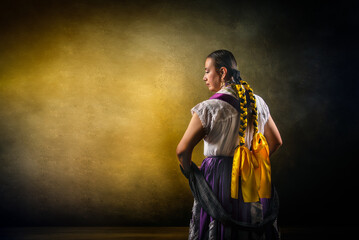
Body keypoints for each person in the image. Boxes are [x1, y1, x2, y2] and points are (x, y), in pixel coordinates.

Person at [176, 49, 283, 240]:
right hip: (252, 177)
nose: (204, 77)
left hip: (218, 177)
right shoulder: (258, 102)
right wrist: (252, 164)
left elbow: (182, 150)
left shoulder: (209, 108)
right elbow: (276, 142)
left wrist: (192, 175)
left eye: (207, 71)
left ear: (222, 72)